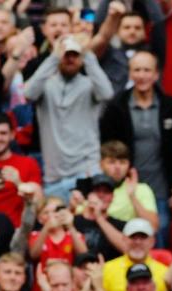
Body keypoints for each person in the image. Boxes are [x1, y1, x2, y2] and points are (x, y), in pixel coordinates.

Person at [23, 35, 114, 201]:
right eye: (66, 55)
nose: (70, 59)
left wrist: (88, 55)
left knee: (85, 223)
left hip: (86, 170)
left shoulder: (90, 85)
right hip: (54, 176)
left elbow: (107, 93)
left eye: (75, 55)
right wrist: (53, 57)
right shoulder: (46, 86)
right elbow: (28, 93)